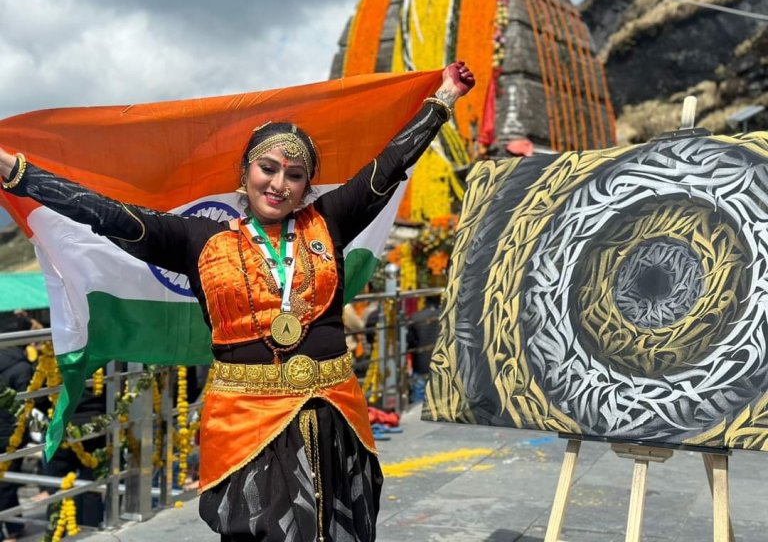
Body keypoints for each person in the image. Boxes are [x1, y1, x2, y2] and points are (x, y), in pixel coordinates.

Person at [0, 61, 475, 541]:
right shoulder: (195, 237)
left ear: (307, 185)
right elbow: (107, 215)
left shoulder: (327, 221)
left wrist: (444, 99)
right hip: (247, 414)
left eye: (294, 175)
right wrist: (16, 173)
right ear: (244, 173)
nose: (278, 184)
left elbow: (389, 166)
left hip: (332, 407)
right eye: (267, 169)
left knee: (339, 530)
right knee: (265, 531)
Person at [0, 313, 34, 542]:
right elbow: (29, 405)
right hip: (12, 433)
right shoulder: (23, 367)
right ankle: (12, 528)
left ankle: (13, 525)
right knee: (7, 481)